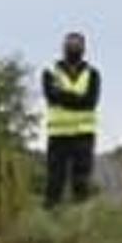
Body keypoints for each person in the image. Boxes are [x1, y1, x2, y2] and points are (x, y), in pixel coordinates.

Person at [42, 31, 101, 208]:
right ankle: (50, 219)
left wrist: (63, 96)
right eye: (70, 44)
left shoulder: (93, 73)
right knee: (54, 180)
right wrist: (77, 98)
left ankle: (80, 222)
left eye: (77, 45)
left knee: (81, 180)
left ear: (84, 49)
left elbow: (90, 102)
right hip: (58, 135)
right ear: (63, 47)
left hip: (84, 134)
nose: (73, 48)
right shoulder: (50, 72)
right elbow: (51, 97)